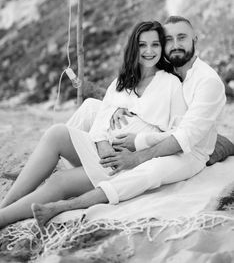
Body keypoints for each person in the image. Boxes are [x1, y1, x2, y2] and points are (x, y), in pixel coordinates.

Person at [29, 15, 227, 228]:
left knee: (150, 171)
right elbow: (143, 94)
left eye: (182, 38)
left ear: (195, 39)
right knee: (90, 107)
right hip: (162, 134)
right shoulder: (172, 66)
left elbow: (183, 136)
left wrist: (138, 150)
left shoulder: (206, 81)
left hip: (188, 151)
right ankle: (45, 163)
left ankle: (65, 206)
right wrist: (118, 108)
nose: (175, 45)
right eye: (169, 39)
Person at [0, 21, 188, 229]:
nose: (149, 51)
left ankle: (4, 217)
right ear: (134, 48)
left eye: (155, 45)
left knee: (60, 181)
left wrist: (140, 143)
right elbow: (100, 121)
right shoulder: (122, 82)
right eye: (143, 45)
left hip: (125, 163)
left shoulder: (171, 83)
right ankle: (6, 204)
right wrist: (102, 143)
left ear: (162, 48)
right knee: (57, 133)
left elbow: (178, 132)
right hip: (102, 150)